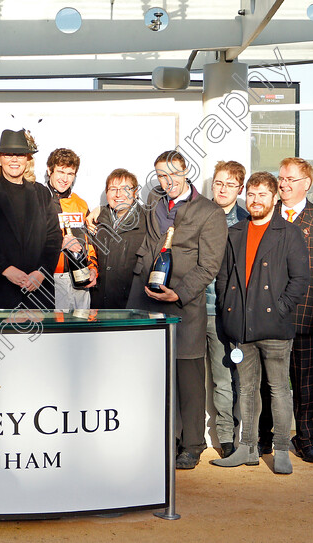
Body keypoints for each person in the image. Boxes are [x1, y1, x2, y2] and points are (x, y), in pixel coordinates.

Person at [127, 150, 228, 470]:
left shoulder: (210, 212)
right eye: (161, 175)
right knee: (158, 378)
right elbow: (145, 253)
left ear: (186, 173)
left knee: (188, 380)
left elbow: (210, 265)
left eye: (173, 174)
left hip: (186, 309)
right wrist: (134, 303)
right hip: (149, 306)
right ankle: (168, 439)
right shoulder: (153, 208)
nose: (167, 181)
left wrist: (179, 293)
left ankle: (193, 445)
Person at [213, 171, 310, 475]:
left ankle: (281, 448)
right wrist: (227, 309)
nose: (255, 201)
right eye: (251, 195)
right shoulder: (236, 232)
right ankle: (248, 448)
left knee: (279, 388)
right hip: (241, 326)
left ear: (274, 198)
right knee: (246, 388)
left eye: (262, 195)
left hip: (275, 328)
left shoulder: (288, 232)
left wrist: (280, 308)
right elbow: (224, 276)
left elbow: (300, 279)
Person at [259, 157, 313, 464]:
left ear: (306, 183)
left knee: (305, 384)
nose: (282, 183)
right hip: (268, 318)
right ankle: (263, 438)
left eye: (290, 179)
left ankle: (306, 440)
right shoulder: (265, 216)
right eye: (280, 178)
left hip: (308, 318)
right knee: (266, 384)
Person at [0, 129, 61, 309]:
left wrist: (41, 273)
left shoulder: (42, 193)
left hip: (37, 296)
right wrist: (5, 269)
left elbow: (54, 239)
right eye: (8, 154)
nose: (14, 160)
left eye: (20, 154)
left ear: (27, 159)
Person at [205, 161, 249, 458]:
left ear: (240, 189)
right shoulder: (196, 213)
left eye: (230, 184)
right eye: (219, 183)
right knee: (189, 379)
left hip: (230, 312)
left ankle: (226, 438)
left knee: (226, 379)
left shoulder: (247, 220)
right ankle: (185, 438)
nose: (222, 189)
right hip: (197, 308)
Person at [45, 148, 97, 310]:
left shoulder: (80, 203)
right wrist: (60, 243)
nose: (65, 178)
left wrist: (93, 269)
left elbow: (89, 243)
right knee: (54, 331)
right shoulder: (38, 199)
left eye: (70, 173)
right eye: (61, 172)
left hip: (80, 279)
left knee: (82, 330)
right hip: (50, 279)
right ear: (49, 171)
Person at [88, 168, 147, 309]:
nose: (118, 194)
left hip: (133, 306)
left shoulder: (147, 220)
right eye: (113, 189)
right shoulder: (96, 219)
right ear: (107, 193)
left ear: (135, 192)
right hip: (99, 304)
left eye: (125, 188)